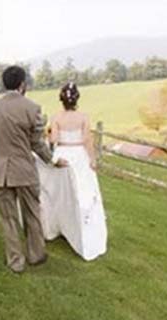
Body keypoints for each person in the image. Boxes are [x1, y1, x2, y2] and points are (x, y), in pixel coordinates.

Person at [0, 66, 67, 273]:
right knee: (32, 214)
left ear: (4, 83)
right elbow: (36, 143)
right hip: (25, 171)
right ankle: (36, 256)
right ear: (22, 84)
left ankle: (15, 261)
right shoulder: (32, 108)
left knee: (8, 219)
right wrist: (52, 161)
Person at [35, 82, 107, 261]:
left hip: (63, 155)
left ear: (62, 100)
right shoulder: (83, 117)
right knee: (83, 191)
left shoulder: (56, 117)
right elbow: (87, 140)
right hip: (79, 156)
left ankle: (60, 225)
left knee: (62, 193)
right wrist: (92, 159)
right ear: (76, 99)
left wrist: (49, 133)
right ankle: (82, 229)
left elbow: (53, 139)